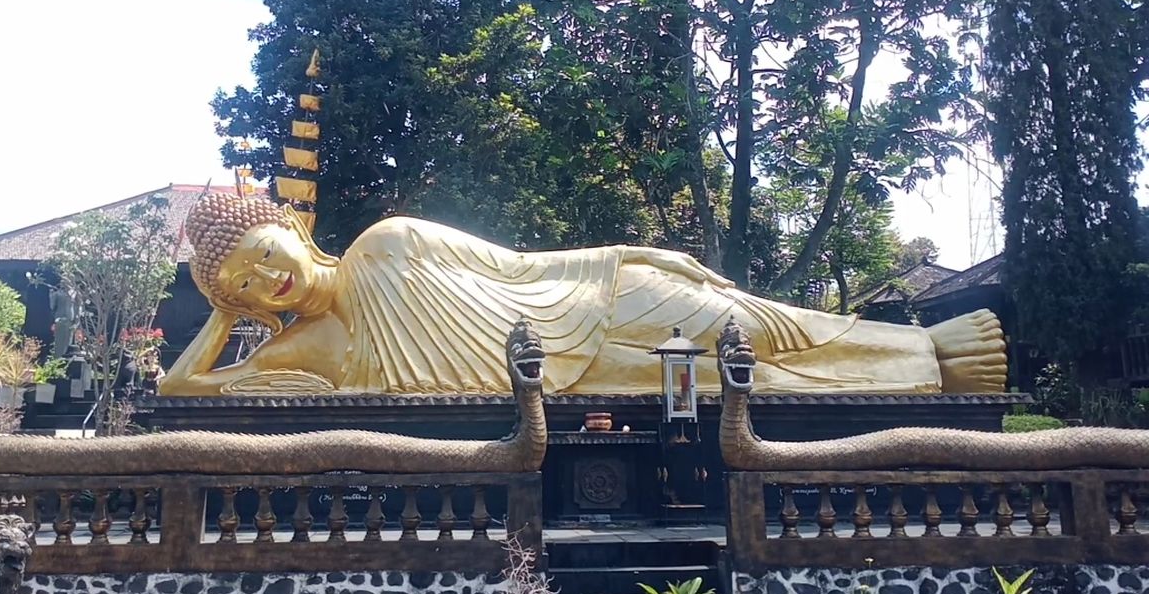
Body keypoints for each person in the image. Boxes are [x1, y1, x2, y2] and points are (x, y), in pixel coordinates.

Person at [160, 194, 1006, 397]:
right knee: (752, 380)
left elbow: (521, 266)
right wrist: (222, 316)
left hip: (585, 310)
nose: (265, 278)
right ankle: (926, 369)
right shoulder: (302, 349)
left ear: (297, 235)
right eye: (243, 287)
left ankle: (936, 346)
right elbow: (182, 391)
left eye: (264, 255)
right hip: (570, 386)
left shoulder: (390, 239)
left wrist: (632, 250)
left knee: (752, 327)